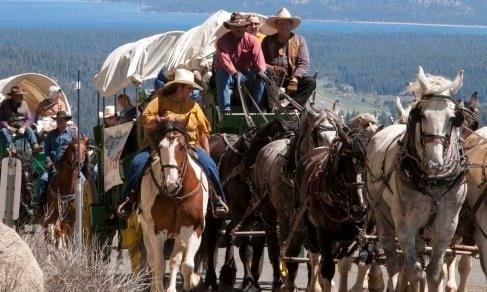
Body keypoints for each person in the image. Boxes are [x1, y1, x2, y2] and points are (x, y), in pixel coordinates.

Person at [117, 69, 229, 219]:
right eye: (189, 88)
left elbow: (203, 132)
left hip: (189, 145)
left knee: (210, 166)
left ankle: (218, 200)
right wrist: (159, 120)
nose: (191, 92)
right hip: (160, 146)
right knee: (137, 164)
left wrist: (207, 153)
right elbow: (145, 121)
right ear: (179, 87)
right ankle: (127, 201)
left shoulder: (194, 106)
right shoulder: (160, 101)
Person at [262, 8, 316, 106]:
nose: (283, 26)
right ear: (276, 25)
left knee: (310, 82)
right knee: (267, 78)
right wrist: (272, 68)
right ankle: (271, 108)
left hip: (291, 79)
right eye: (280, 23)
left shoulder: (299, 40)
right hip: (271, 78)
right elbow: (260, 61)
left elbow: (304, 63)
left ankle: (290, 107)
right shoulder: (267, 40)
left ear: (291, 26)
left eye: (286, 23)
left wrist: (295, 78)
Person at [215, 12, 266, 114]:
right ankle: (226, 109)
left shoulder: (253, 41)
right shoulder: (222, 41)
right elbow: (225, 62)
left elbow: (259, 61)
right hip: (229, 75)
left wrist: (261, 71)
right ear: (230, 27)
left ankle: (256, 111)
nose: (238, 29)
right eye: (235, 27)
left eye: (241, 27)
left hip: (246, 74)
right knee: (222, 74)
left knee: (261, 76)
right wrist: (234, 73)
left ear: (245, 27)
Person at [34, 111, 78, 214]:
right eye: (58, 121)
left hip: (70, 166)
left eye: (62, 121)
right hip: (54, 164)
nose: (60, 123)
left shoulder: (73, 133)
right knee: (43, 179)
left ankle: (84, 200)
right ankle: (41, 204)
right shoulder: (51, 135)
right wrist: (49, 162)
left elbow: (79, 146)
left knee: (84, 179)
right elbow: (47, 151)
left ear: (66, 121)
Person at [0, 86, 40, 152]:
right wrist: (8, 127)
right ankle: (11, 148)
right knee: (3, 131)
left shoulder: (24, 104)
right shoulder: (5, 104)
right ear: (13, 96)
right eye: (19, 95)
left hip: (21, 126)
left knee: (29, 130)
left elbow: (28, 118)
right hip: (9, 126)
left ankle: (35, 145)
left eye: (22, 95)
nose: (21, 97)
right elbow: (1, 119)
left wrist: (23, 127)